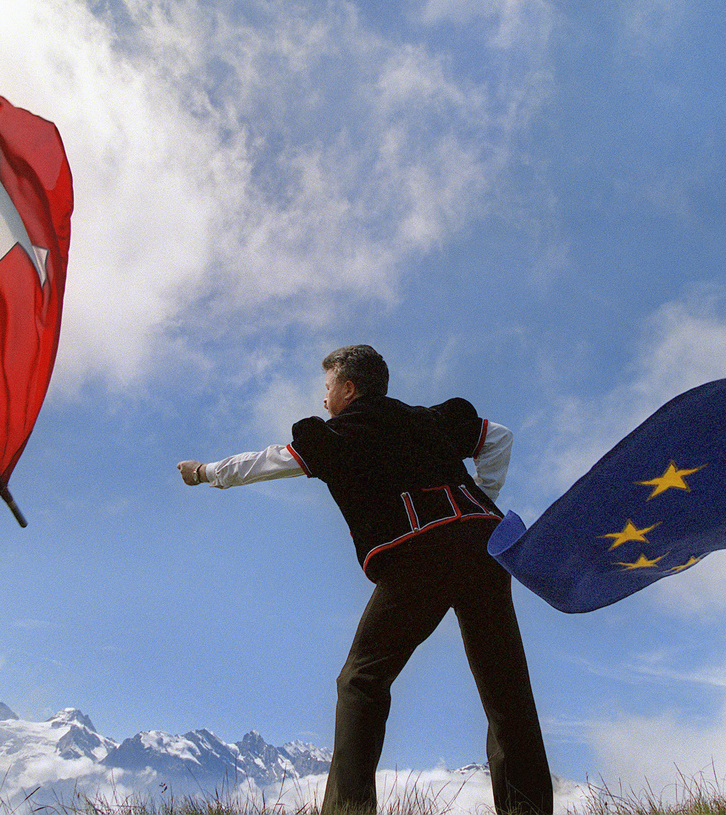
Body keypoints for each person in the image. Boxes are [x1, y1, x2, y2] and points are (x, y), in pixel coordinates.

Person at [176, 345, 552, 815]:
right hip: (485, 552)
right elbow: (498, 438)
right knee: (506, 688)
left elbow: (271, 461)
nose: (325, 399)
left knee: (362, 680)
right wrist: (478, 504)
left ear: (349, 388)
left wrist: (206, 472)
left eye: (328, 388)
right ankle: (528, 808)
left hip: (418, 559)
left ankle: (349, 809)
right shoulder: (432, 419)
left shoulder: (345, 430)